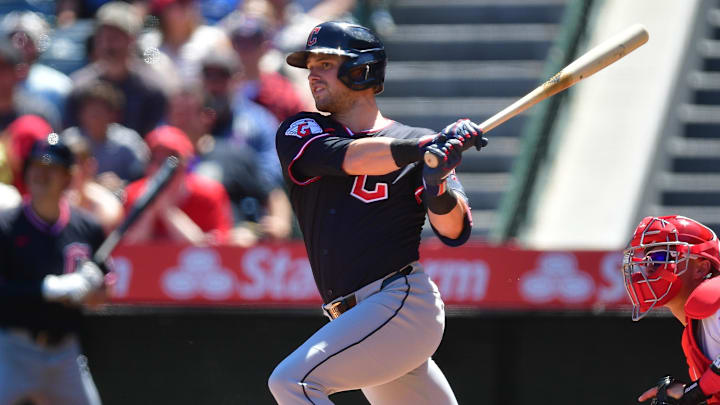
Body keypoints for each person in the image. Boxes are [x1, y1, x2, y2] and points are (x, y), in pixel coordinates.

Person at [268, 21, 488, 404]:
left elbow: (455, 230)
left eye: (325, 63)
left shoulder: (415, 143)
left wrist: (436, 182)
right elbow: (348, 156)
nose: (312, 75)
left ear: (362, 71)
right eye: (311, 66)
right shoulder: (302, 128)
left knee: (293, 382)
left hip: (399, 302)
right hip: (357, 320)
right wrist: (423, 149)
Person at [0, 134, 110, 405]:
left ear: (67, 176)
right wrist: (47, 289)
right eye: (36, 166)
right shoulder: (5, 226)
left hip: (64, 352)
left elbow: (103, 296)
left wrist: (92, 288)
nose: (41, 174)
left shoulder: (86, 227)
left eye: (51, 168)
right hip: (13, 348)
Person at [622, 215, 720, 405]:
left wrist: (697, 390)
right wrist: (684, 394)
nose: (649, 268)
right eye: (648, 260)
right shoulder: (692, 332)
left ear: (701, 268)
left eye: (661, 257)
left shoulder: (715, 297)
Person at [66, 1, 167, 137]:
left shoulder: (151, 89)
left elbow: (155, 139)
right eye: (102, 37)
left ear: (131, 40)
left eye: (115, 37)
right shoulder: (80, 87)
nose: (107, 44)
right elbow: (72, 138)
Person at [123, 125, 234, 245]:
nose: (160, 169)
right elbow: (128, 251)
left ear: (186, 163)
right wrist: (148, 205)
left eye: (170, 160)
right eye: (154, 159)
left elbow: (210, 253)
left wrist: (167, 211)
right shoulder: (133, 194)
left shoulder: (210, 193)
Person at [62, 80, 149, 194]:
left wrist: (122, 184)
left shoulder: (129, 142)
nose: (95, 117)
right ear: (81, 114)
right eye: (90, 111)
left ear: (112, 115)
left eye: (99, 112)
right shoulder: (68, 141)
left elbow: (142, 180)